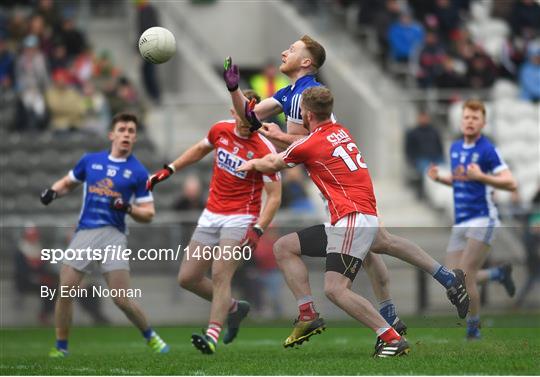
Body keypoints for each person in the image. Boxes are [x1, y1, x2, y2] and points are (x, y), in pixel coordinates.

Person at [238, 86, 470, 357]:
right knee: (286, 247)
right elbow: (302, 146)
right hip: (361, 214)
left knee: (336, 289)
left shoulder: (309, 143)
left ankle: (390, 336)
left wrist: (252, 163)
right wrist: (276, 134)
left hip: (350, 218)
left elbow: (277, 162)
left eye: (301, 111)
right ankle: (442, 281)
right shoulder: (340, 131)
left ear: (308, 113)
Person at [223, 35, 410, 351]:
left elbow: (297, 146)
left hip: (341, 198)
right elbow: (251, 118)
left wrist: (257, 161)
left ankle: (390, 328)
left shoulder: (305, 95)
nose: (284, 51)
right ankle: (318, 314)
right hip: (336, 199)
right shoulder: (290, 93)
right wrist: (234, 90)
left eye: (293, 49)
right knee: (292, 248)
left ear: (307, 62)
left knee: (340, 283)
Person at [146, 90, 282, 355]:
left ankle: (211, 335)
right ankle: (233, 308)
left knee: (221, 272)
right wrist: (170, 169)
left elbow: (274, 197)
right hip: (211, 214)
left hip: (242, 217)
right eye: (241, 114)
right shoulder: (220, 129)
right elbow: (199, 149)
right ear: (233, 112)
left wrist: (258, 229)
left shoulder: (265, 149)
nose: (245, 120)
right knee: (187, 278)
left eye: (251, 116)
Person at [40, 113, 169, 357]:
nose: (127, 134)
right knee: (66, 289)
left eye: (131, 131)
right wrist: (53, 192)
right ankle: (61, 347)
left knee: (121, 300)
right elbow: (68, 183)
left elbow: (149, 213)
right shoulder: (90, 161)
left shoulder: (139, 172)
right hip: (86, 231)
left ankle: (151, 336)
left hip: (113, 235)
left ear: (135, 138)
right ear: (112, 135)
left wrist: (128, 208)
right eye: (122, 129)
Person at [427, 99, 517, 340]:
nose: (470, 121)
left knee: (465, 278)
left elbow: (510, 182)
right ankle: (498, 275)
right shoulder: (456, 147)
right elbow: (461, 181)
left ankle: (473, 328)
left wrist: (482, 176)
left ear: (483, 123)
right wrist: (439, 178)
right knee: (451, 277)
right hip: (461, 220)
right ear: (461, 120)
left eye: (475, 118)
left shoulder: (488, 150)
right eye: (467, 117)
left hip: (482, 219)